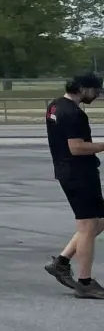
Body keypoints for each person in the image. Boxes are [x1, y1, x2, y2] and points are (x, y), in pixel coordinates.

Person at [44, 72, 104, 298]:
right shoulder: (74, 113)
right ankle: (85, 282)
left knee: (99, 220)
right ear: (81, 88)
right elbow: (77, 148)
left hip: (68, 171)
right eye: (95, 90)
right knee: (88, 227)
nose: (97, 94)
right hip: (79, 173)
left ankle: (61, 261)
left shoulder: (55, 106)